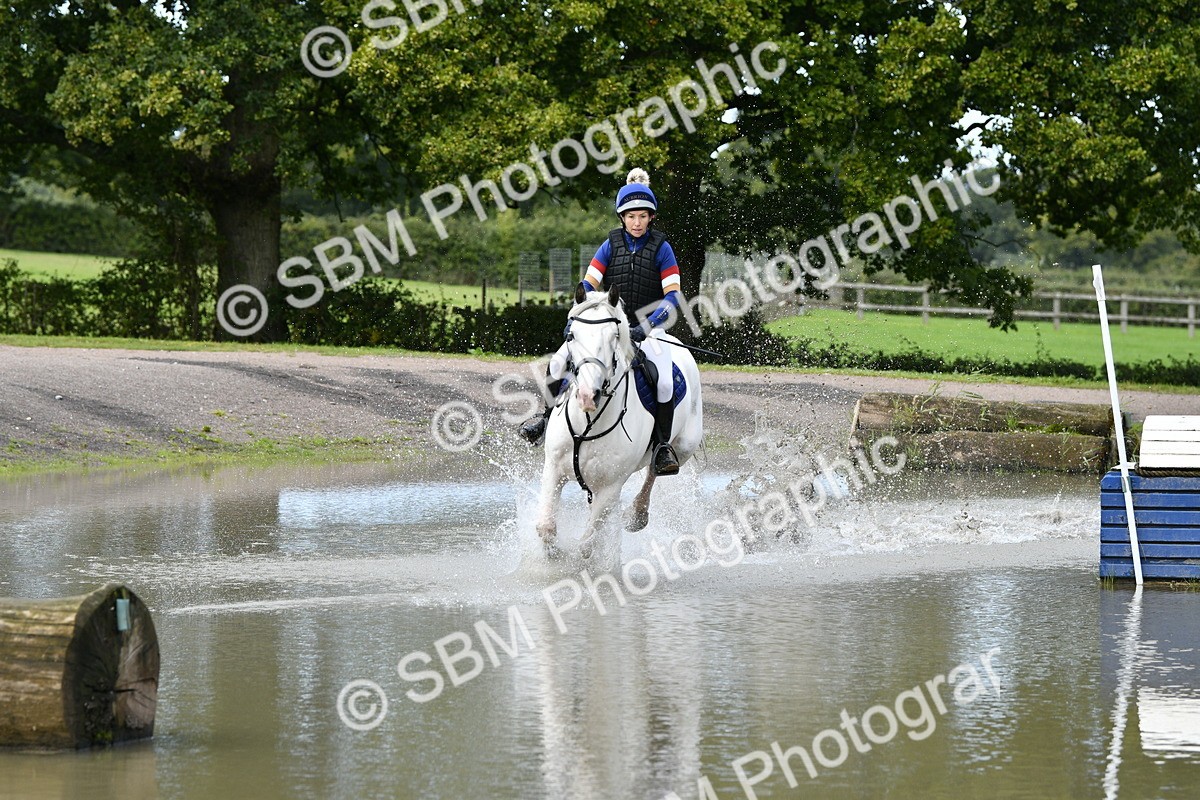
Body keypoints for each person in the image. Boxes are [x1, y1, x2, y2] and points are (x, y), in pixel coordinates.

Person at [518, 168, 683, 476]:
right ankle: (545, 418)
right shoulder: (609, 245)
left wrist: (644, 327)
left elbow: (672, 296)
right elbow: (588, 286)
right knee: (557, 363)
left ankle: (661, 447)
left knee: (662, 379)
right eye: (631, 217)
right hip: (606, 326)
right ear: (622, 218)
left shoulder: (662, 248)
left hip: (647, 329)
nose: (637, 223)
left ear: (651, 218)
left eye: (643, 217)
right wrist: (578, 320)